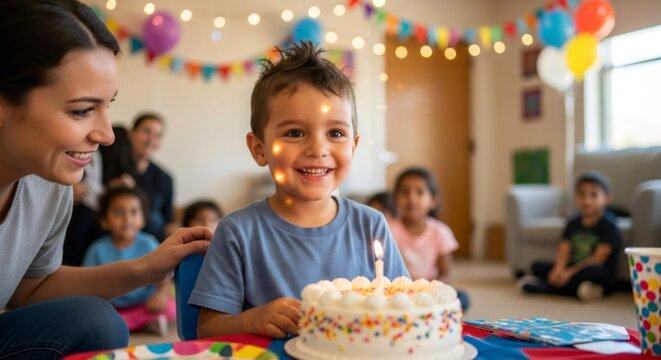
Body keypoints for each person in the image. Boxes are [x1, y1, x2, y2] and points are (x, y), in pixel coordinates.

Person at [0, 1, 211, 358]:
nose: (107, 135)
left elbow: (30, 289)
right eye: (82, 110)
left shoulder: (50, 185)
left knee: (99, 321)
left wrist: (146, 268)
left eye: (106, 105)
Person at [190, 42, 410, 339]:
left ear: (353, 146)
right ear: (259, 148)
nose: (318, 149)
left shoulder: (372, 225)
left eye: (335, 133)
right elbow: (206, 330)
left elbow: (404, 309)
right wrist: (253, 319)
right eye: (295, 133)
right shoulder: (238, 232)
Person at [82, 187, 175, 336]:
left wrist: (161, 294)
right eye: (118, 212)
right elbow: (86, 282)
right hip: (111, 307)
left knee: (171, 307)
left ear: (143, 219)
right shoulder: (97, 249)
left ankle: (123, 325)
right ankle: (137, 324)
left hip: (144, 304)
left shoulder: (149, 243)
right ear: (105, 221)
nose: (127, 218)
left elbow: (166, 274)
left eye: (134, 212)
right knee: (90, 316)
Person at [517, 171, 621, 302]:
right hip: (573, 269)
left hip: (594, 271)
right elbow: (564, 249)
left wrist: (569, 273)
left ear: (606, 198)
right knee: (536, 265)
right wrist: (559, 269)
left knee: (595, 271)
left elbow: (597, 259)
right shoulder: (572, 223)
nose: (587, 200)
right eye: (582, 194)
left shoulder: (609, 225)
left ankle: (545, 288)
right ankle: (580, 290)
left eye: (593, 195)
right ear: (576, 197)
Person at [388, 167, 470, 311]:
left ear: (433, 200)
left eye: (419, 192)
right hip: (399, 291)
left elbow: (445, 274)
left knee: (462, 297)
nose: (412, 198)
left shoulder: (440, 232)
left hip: (429, 290)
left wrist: (428, 290)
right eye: (405, 192)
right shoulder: (389, 229)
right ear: (396, 199)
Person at [128, 113, 175, 242]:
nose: (151, 140)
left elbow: (168, 220)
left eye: (158, 135)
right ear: (131, 133)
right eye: (147, 132)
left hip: (151, 244)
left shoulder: (165, 178)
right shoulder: (112, 168)